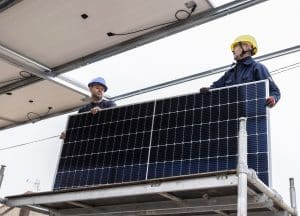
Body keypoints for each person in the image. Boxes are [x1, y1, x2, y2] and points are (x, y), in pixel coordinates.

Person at [200, 34, 280, 108]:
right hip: (232, 116)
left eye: (236, 47)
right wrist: (207, 90)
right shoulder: (230, 73)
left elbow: (275, 91)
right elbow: (215, 88)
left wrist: (273, 98)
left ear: (246, 47)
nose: (233, 51)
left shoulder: (257, 68)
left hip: (251, 116)